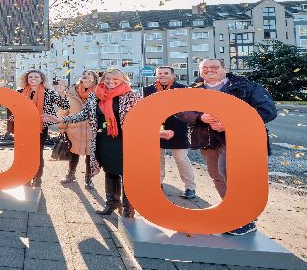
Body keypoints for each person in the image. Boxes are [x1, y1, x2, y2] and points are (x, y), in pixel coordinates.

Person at [181, 58, 277, 235]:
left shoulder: (246, 86)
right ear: (200, 72)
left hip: (239, 140)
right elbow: (181, 111)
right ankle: (232, 214)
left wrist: (231, 122)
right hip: (208, 141)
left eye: (214, 67)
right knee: (217, 175)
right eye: (205, 68)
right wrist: (199, 117)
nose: (209, 70)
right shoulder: (194, 90)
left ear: (225, 69)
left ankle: (244, 219)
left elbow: (268, 110)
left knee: (232, 175)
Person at [43, 69, 142, 217]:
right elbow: (85, 114)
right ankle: (112, 203)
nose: (110, 81)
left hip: (125, 141)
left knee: (127, 174)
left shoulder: (131, 96)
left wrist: (159, 131)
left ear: (123, 80)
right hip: (104, 140)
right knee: (110, 171)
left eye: (115, 79)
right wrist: (62, 119)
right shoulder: (96, 96)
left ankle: (128, 209)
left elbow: (143, 117)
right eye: (108, 78)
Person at [143, 66, 197, 200]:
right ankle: (157, 183)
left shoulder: (182, 89)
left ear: (173, 75)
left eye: (166, 73)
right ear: (156, 75)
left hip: (178, 128)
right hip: (156, 128)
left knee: (181, 158)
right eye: (160, 73)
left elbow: (188, 108)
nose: (162, 75)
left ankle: (190, 187)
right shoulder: (148, 90)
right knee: (157, 159)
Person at [11, 70, 70, 187]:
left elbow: (65, 106)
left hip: (40, 128)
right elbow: (12, 107)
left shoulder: (49, 93)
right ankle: (26, 177)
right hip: (23, 128)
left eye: (36, 77)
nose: (33, 79)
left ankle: (37, 178)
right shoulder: (19, 92)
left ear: (41, 79)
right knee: (25, 154)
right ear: (26, 79)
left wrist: (61, 93)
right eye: (30, 77)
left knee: (37, 154)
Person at [56, 70, 99, 188]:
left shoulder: (100, 93)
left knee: (91, 156)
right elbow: (63, 111)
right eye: (84, 73)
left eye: (89, 74)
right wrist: (61, 128)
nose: (85, 75)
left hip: (92, 131)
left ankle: (89, 179)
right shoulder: (71, 93)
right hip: (73, 130)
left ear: (94, 78)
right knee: (73, 153)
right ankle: (71, 174)